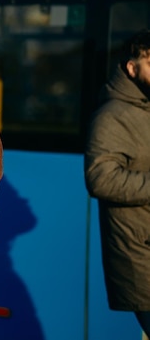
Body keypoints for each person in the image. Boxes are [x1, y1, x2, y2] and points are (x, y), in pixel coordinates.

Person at [84, 28, 150, 337]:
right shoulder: (112, 115)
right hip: (142, 258)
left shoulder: (144, 109)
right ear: (131, 68)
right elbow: (101, 179)